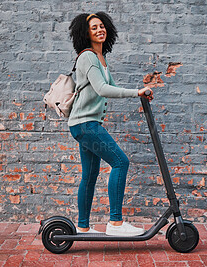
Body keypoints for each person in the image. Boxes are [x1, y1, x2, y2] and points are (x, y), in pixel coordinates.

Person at [68, 12, 153, 236]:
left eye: (102, 26)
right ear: (86, 33)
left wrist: (140, 93)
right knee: (120, 162)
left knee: (89, 175)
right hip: (86, 125)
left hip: (84, 124)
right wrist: (136, 92)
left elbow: (112, 86)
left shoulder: (101, 58)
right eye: (94, 27)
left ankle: (83, 226)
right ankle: (115, 223)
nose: (100, 30)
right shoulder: (87, 57)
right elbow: (102, 89)